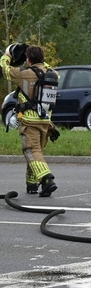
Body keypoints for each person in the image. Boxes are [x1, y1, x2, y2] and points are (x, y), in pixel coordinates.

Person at [1, 43, 59, 196]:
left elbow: (5, 70)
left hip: (29, 121)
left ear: (28, 60)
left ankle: (47, 179)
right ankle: (32, 185)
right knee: (36, 152)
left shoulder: (24, 74)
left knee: (31, 151)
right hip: (45, 122)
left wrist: (7, 55)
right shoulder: (52, 73)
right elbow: (44, 65)